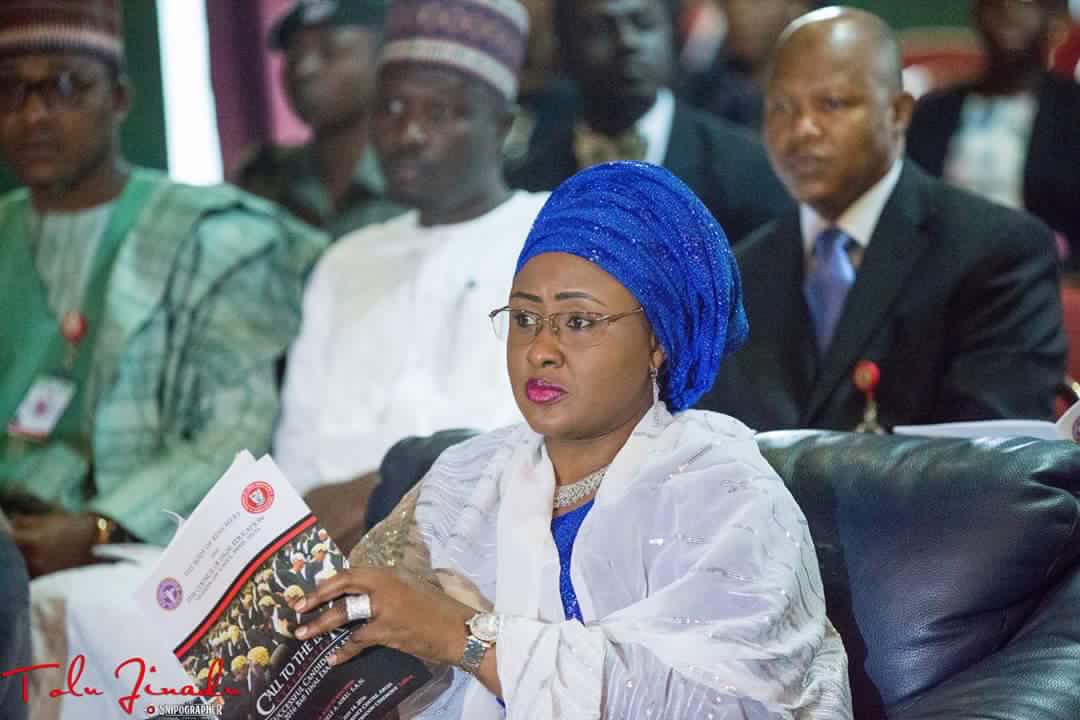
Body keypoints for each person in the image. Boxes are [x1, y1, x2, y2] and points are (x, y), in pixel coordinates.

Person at [289, 161, 852, 718]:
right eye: (525, 319)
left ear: (659, 339)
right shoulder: (466, 481)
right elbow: (355, 634)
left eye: (578, 322)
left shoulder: (725, 494)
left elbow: (722, 704)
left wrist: (463, 636)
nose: (541, 349)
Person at [0, 0, 326, 578]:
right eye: (10, 91)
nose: (35, 116)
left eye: (66, 87)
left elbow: (236, 429)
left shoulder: (214, 238)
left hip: (140, 549)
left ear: (120, 98)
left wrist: (103, 526)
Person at [698, 7, 1066, 430]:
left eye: (831, 104)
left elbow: (995, 464)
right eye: (781, 107)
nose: (801, 129)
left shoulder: (997, 252)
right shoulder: (736, 276)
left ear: (899, 113)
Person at [274, 0, 548, 550]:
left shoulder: (555, 239)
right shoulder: (346, 261)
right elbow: (295, 466)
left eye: (441, 112)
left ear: (503, 126)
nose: (409, 133)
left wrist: (383, 491)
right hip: (328, 559)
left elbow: (551, 446)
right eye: (393, 108)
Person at [507, 0, 791, 244]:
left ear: (672, 33)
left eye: (643, 23)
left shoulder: (746, 169)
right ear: (564, 50)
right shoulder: (529, 183)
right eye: (600, 28)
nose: (627, 42)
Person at [907, 0, 1080, 270]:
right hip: (943, 277)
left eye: (1025, 3)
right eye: (995, 3)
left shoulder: (1071, 112)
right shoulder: (934, 111)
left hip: (1044, 280)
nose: (1008, 13)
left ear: (1056, 21)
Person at [234, 0, 405, 238]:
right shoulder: (264, 178)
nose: (305, 69)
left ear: (383, 62)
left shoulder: (413, 174)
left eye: (330, 52)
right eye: (294, 56)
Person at [686, 0, 822, 128]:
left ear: (794, 6)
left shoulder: (820, 83)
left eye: (756, 2)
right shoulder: (701, 91)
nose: (741, 14)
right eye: (730, 2)